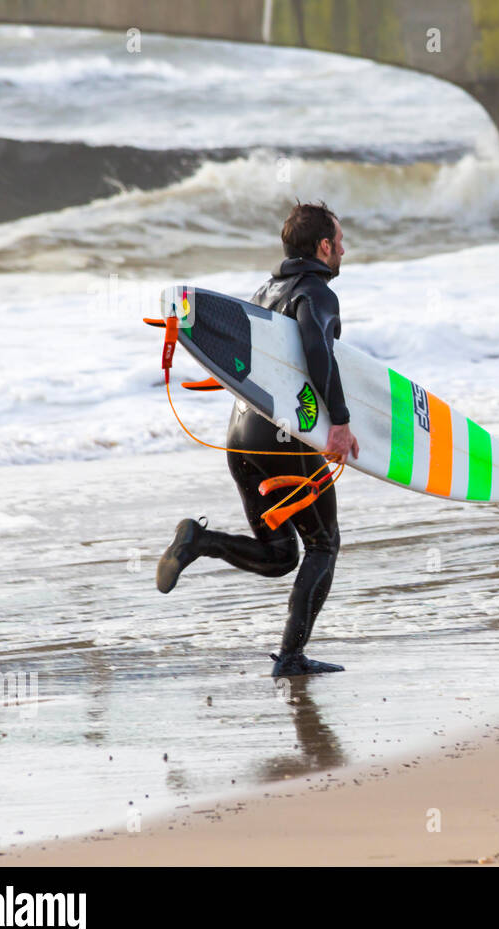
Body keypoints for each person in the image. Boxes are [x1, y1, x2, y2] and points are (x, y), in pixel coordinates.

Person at [156, 201, 360, 678]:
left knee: (279, 555)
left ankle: (198, 541)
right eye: (340, 241)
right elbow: (316, 353)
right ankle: (290, 659)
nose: (345, 250)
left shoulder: (264, 291)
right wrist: (341, 421)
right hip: (284, 440)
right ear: (324, 247)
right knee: (323, 545)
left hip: (241, 436)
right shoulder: (315, 293)